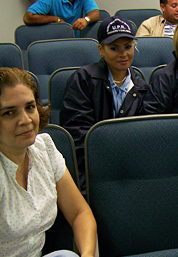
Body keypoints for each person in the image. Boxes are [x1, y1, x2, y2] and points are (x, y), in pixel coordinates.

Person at [0, 67, 115, 257]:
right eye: (9, 112)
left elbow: (80, 213)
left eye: (30, 107)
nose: (25, 120)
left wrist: (88, 256)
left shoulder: (44, 147)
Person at [60, 16, 149, 190]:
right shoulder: (83, 79)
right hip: (91, 169)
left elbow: (144, 136)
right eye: (114, 48)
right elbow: (77, 137)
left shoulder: (141, 86)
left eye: (128, 47)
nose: (123, 54)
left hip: (131, 170)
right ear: (101, 50)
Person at [23, 0, 100, 36]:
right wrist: (55, 19)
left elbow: (95, 13)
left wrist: (86, 20)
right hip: (55, 43)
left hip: (76, 42)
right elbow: (28, 17)